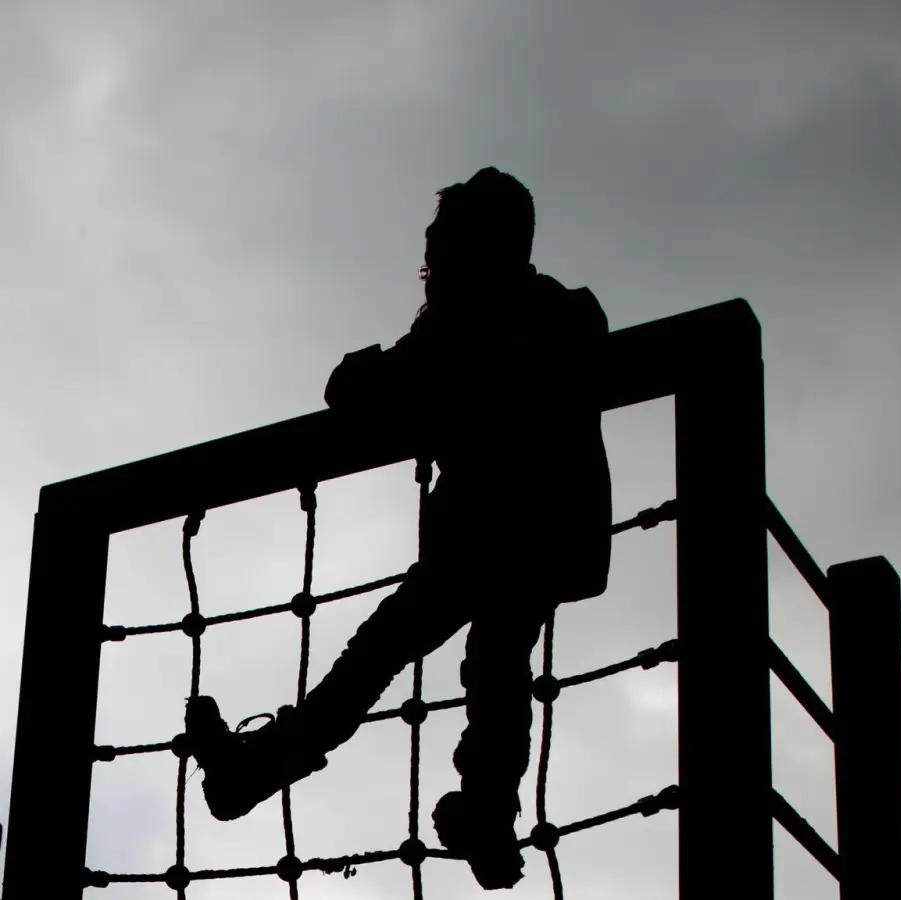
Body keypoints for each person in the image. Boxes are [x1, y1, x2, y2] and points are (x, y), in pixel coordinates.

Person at [184, 167, 612, 890]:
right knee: (487, 663)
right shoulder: (545, 313)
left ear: (468, 248)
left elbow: (366, 388)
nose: (431, 262)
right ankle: (482, 813)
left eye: (443, 244)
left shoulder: (477, 323)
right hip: (531, 532)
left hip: (495, 532)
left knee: (408, 660)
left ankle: (263, 774)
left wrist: (381, 369)